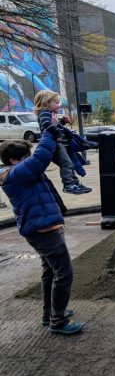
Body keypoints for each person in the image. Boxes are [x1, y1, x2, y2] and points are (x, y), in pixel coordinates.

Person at [0, 129, 85, 334]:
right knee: (64, 273)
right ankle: (58, 320)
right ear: (13, 160)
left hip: (42, 226)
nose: (28, 161)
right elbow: (40, 158)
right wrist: (48, 133)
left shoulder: (16, 172)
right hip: (42, 229)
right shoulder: (15, 174)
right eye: (24, 158)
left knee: (50, 272)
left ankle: (51, 314)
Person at [33, 90, 91, 195]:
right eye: (56, 102)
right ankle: (69, 185)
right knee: (67, 164)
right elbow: (46, 124)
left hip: (58, 145)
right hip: (54, 145)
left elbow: (55, 125)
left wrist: (62, 122)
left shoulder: (49, 113)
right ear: (46, 102)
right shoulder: (45, 112)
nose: (59, 105)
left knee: (69, 164)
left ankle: (75, 184)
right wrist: (58, 135)